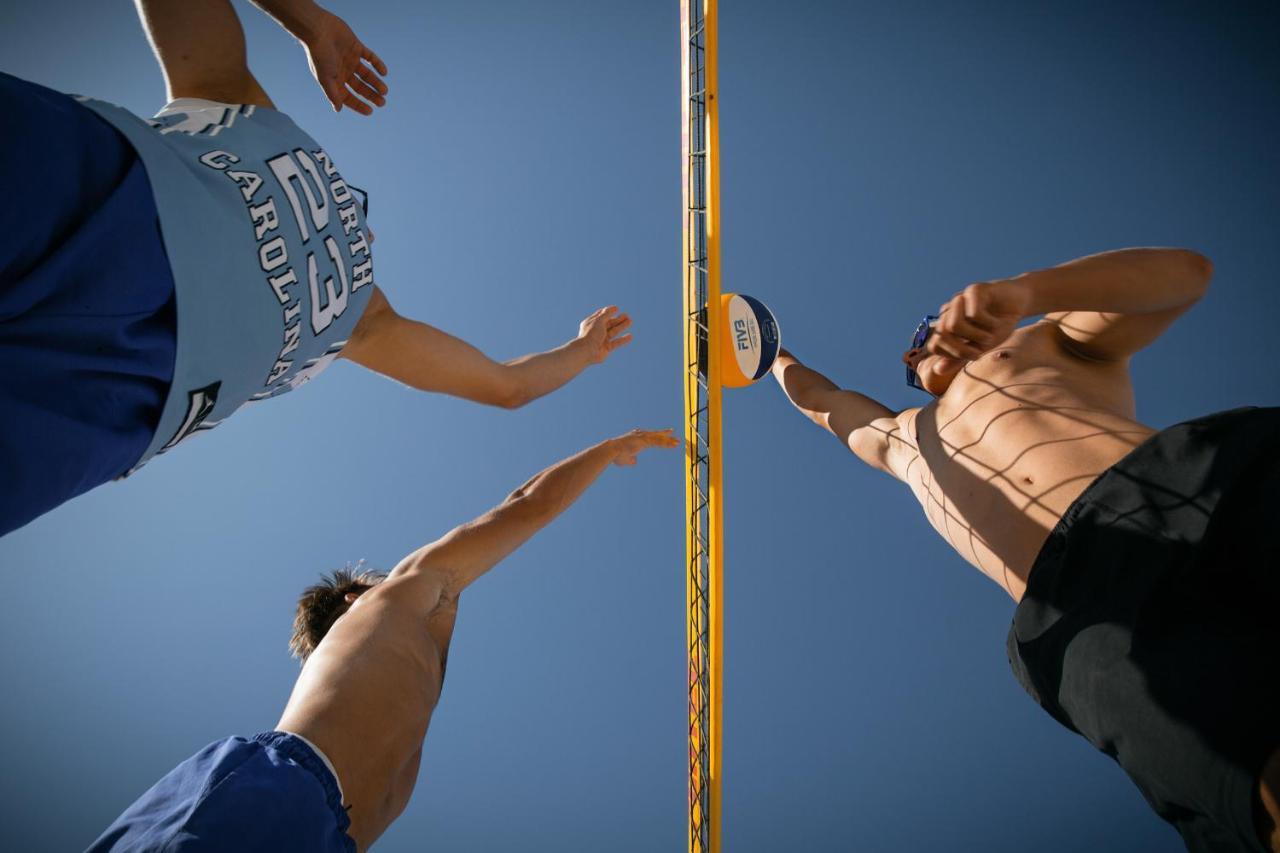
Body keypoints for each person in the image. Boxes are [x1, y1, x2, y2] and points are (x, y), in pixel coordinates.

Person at [0, 0, 632, 537]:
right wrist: (309, 22)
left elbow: (505, 387)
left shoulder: (364, 316)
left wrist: (582, 351)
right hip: (117, 199)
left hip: (129, 393)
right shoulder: (248, 111)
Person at [771, 248, 1279, 852]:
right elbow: (824, 402)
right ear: (914, 357)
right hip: (1081, 608)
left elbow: (1185, 279)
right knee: (1254, 780)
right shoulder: (904, 440)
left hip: (1188, 484)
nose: (946, 332)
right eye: (927, 335)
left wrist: (1027, 293)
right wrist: (766, 355)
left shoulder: (1040, 342)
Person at [87, 427, 679, 851]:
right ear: (352, 602)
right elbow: (523, 506)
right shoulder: (393, 598)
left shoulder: (424, 671)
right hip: (275, 785)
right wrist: (606, 451)